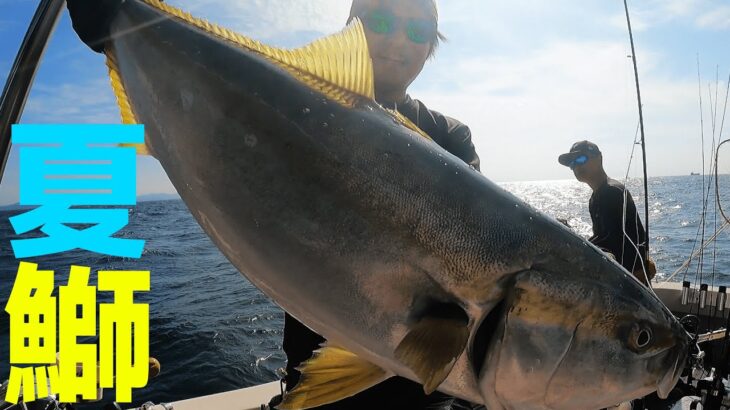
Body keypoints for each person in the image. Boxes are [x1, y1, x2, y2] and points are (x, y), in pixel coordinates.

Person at [279, 1, 482, 409]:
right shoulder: (293, 109)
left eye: (417, 31)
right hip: (316, 378)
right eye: (382, 21)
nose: (397, 40)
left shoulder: (451, 139)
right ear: (350, 28)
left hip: (419, 386)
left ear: (430, 46)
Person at [558, 140, 655, 285]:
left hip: (629, 281)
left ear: (599, 158)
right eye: (572, 163)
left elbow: (612, 244)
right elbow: (603, 238)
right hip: (622, 276)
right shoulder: (596, 197)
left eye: (580, 159)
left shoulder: (611, 192)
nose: (576, 166)